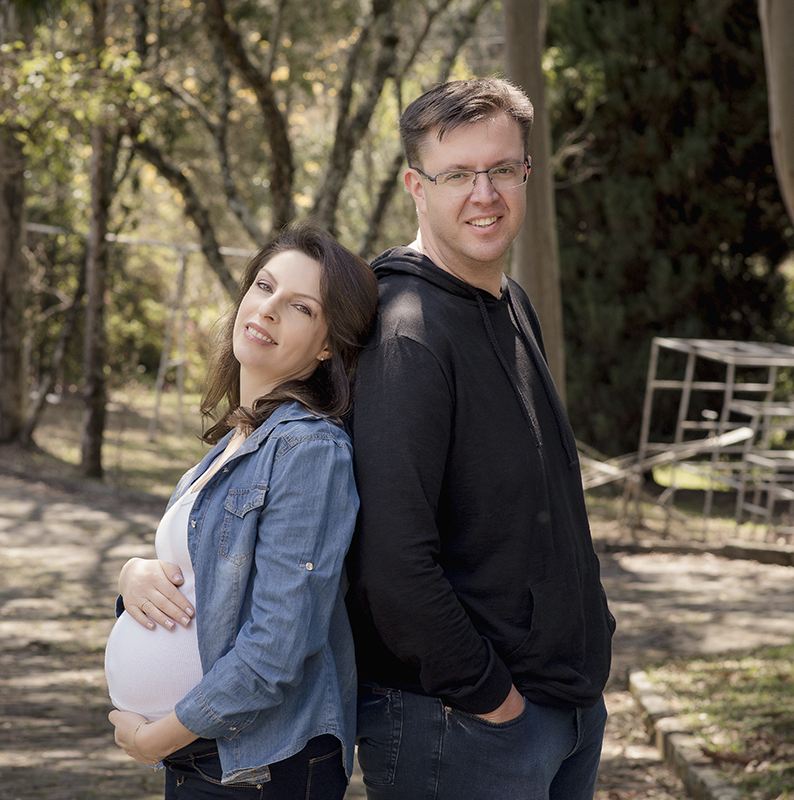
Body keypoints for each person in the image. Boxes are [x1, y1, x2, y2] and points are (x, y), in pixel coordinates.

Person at [345, 77, 616, 799]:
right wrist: (491, 698)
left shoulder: (510, 302)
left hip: (563, 710)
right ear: (416, 186)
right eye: (458, 174)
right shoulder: (405, 331)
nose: (484, 194)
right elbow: (390, 563)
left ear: (526, 173)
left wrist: (593, 631)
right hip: (462, 727)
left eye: (501, 169)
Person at [106, 222, 377, 799]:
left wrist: (158, 738)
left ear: (328, 345)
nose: (269, 309)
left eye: (301, 307)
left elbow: (277, 647)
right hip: (210, 759)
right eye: (264, 285)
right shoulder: (238, 441)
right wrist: (132, 578)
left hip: (260, 768)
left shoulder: (309, 450)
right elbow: (203, 584)